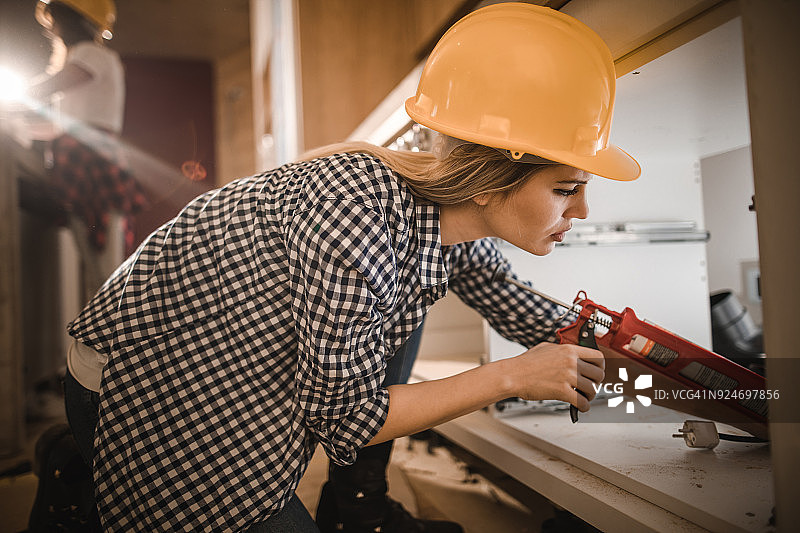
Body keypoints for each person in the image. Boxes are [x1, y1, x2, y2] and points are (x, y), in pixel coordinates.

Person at [63, 3, 641, 532]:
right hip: (145, 376)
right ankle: (76, 461)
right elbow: (346, 418)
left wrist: (634, 351)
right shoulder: (355, 214)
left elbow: (512, 302)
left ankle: (353, 507)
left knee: (398, 304)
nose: (583, 210)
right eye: (567, 189)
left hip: (234, 357)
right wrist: (513, 375)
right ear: (492, 180)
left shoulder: (454, 224)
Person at [27, 0, 144, 305]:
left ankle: (115, 348)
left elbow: (49, 89)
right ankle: (105, 348)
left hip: (92, 164)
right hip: (87, 163)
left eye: (54, 18)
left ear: (70, 18)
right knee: (101, 272)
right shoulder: (86, 58)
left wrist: (17, 97)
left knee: (106, 275)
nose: (50, 27)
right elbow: (64, 127)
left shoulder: (93, 56)